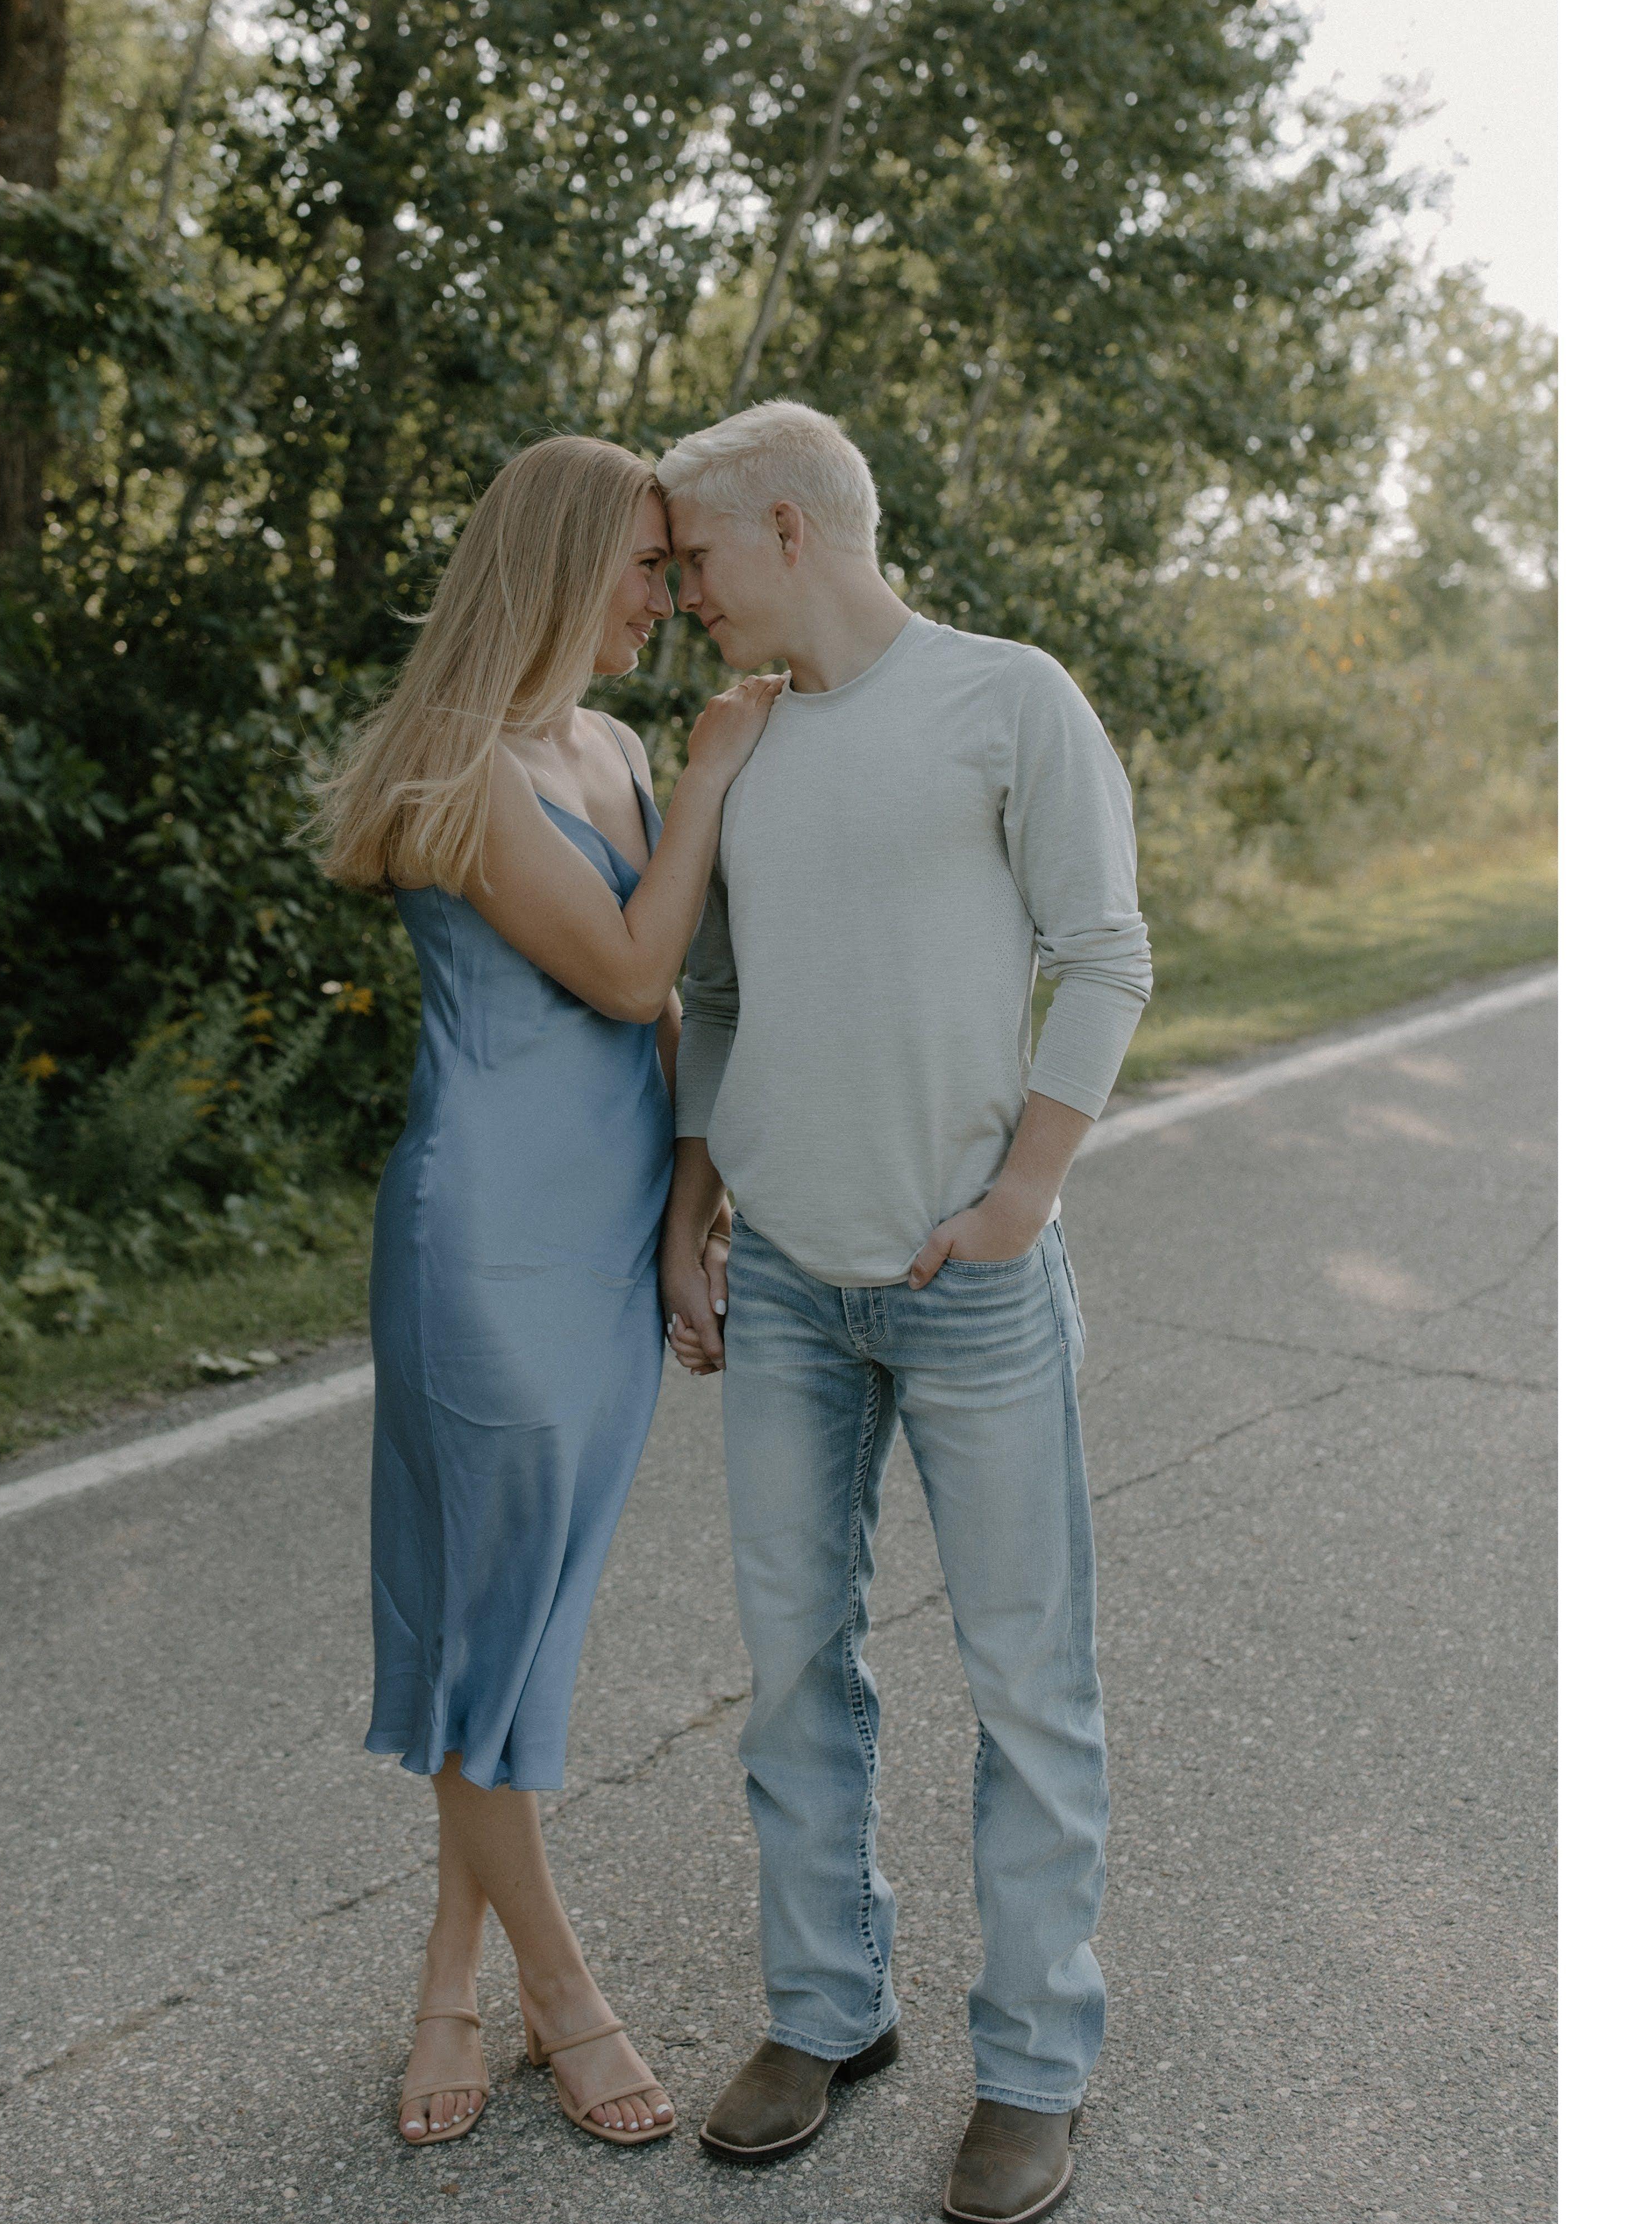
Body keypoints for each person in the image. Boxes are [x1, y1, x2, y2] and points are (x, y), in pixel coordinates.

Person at [653, 400, 1152, 2224]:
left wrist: (1025, 1190)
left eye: (695, 558)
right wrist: (691, 1213)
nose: (681, 593)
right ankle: (822, 2010)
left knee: (1027, 1686)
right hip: (787, 1282)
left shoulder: (1009, 700)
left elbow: (1103, 954)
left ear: (788, 527)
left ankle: (1030, 2065)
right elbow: (714, 995)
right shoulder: (739, 742)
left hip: (971, 1284)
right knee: (794, 1666)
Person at [315, 433, 782, 2152]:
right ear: (566, 564)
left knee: (517, 1629)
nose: (666, 598)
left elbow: (664, 1030)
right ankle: (564, 1989)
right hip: (486, 1246)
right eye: (646, 567)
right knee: (486, 1624)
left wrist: (683, 1219)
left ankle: (449, 1976)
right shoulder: (453, 765)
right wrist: (719, 775)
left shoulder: (609, 746)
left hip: (603, 1239)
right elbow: (635, 964)